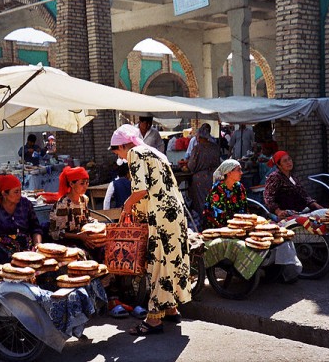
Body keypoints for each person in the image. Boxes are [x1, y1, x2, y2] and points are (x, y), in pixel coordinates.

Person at [109, 124, 190, 335]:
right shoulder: (155, 152)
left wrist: (127, 204)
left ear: (124, 145)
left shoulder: (135, 153)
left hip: (161, 215)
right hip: (175, 212)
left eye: (116, 150)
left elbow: (141, 189)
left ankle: (154, 320)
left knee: (158, 263)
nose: (118, 155)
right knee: (172, 261)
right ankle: (171, 308)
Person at [49, 166, 101, 252]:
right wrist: (79, 237)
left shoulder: (84, 199)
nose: (85, 186)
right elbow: (56, 233)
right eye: (82, 183)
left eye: (87, 183)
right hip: (67, 242)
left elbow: (86, 219)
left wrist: (96, 224)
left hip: (82, 238)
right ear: (71, 184)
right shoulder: (63, 204)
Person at [263, 151, 324, 220]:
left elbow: (303, 194)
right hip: (284, 216)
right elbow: (268, 197)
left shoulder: (292, 176)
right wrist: (278, 211)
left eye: (289, 159)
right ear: (279, 165)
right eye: (285, 161)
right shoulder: (275, 177)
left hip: (298, 213)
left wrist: (315, 205)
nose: (289, 162)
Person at [202, 159, 248, 229]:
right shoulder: (217, 190)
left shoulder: (239, 187)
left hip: (237, 226)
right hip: (218, 228)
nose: (241, 173)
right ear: (229, 173)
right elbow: (215, 216)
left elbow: (244, 208)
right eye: (238, 170)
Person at [187, 125, 221, 216]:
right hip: (214, 177)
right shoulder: (215, 147)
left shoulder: (197, 148)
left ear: (199, 136)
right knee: (213, 200)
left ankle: (203, 220)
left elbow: (191, 166)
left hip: (200, 180)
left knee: (201, 202)